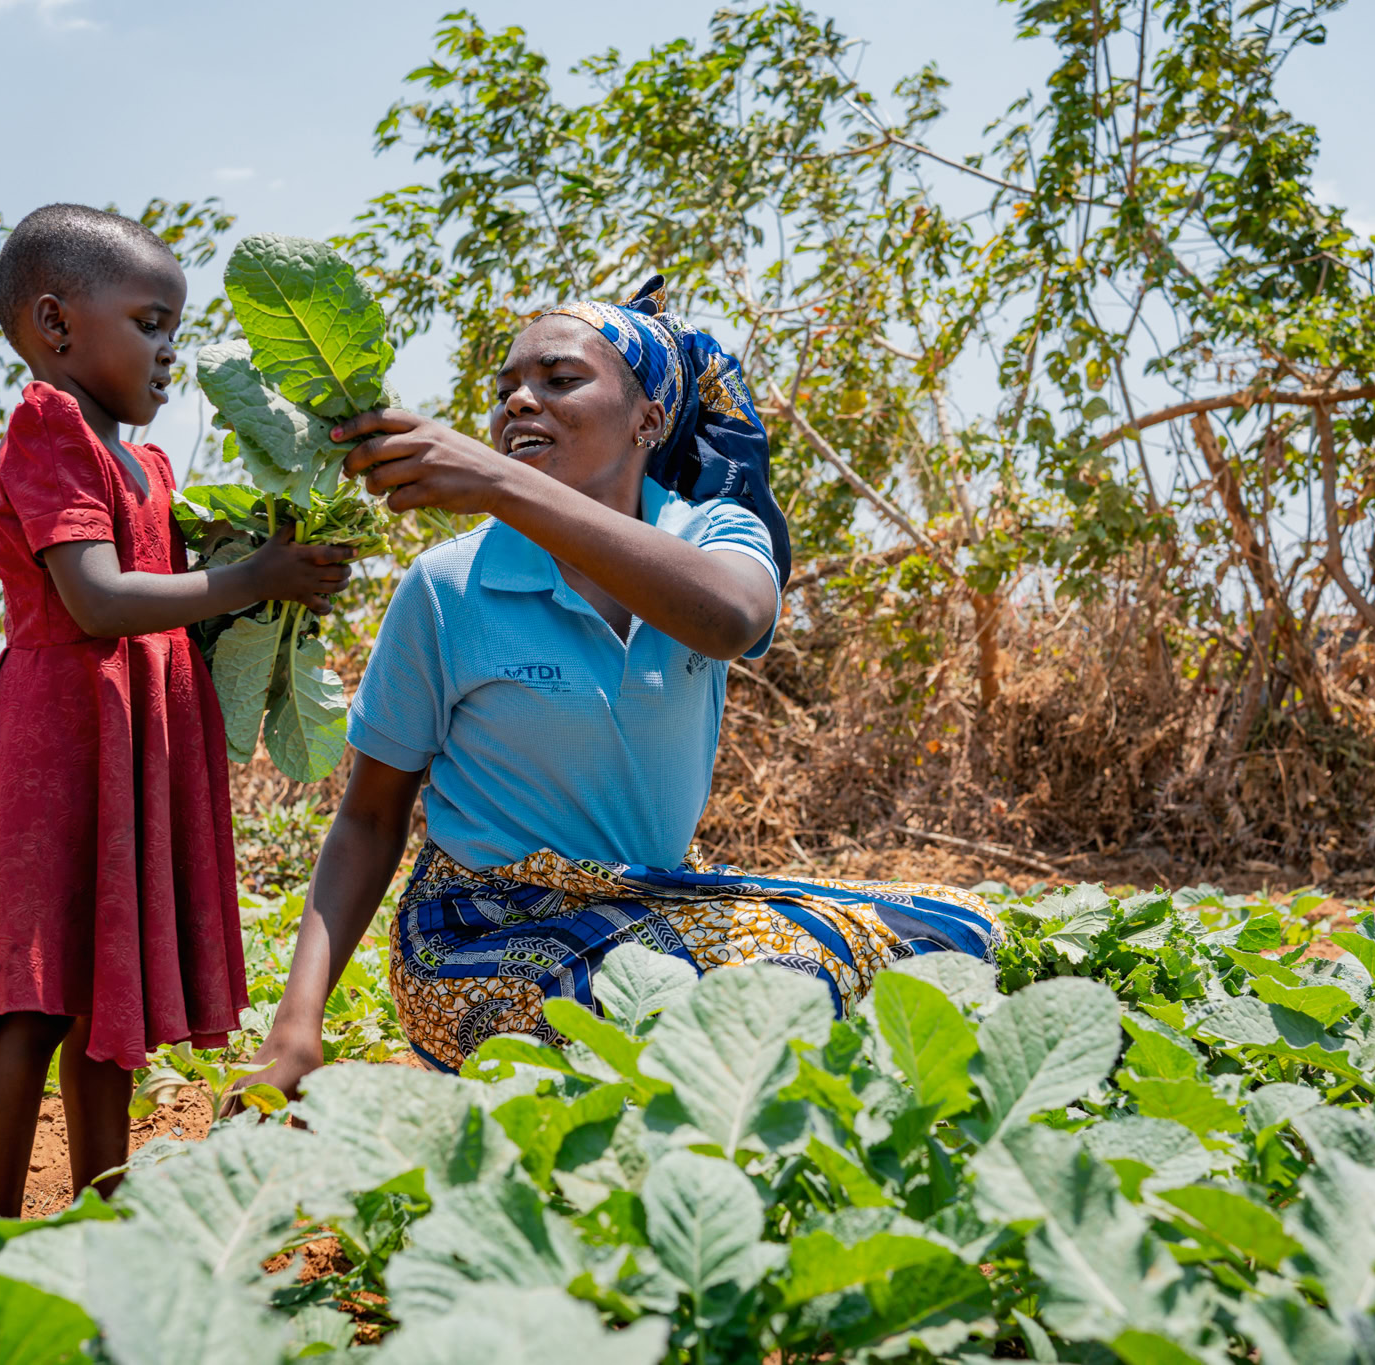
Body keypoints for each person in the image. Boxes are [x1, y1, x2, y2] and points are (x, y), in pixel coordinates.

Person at [243, 277, 1000, 1083]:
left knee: (959, 932)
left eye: (560, 380)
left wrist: (504, 485)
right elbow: (367, 819)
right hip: (481, 931)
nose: (520, 405)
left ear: (649, 419)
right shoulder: (448, 586)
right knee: (765, 989)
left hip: (652, 909)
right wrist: (296, 1027)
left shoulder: (713, 535)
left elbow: (733, 618)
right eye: (505, 393)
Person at [0, 204, 358, 1245]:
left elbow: (173, 591)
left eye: (173, 329)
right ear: (55, 325)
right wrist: (247, 574)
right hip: (57, 742)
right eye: (149, 323)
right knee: (34, 1002)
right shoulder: (46, 428)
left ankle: (101, 1228)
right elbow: (97, 599)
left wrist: (281, 571)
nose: (169, 353)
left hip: (127, 739)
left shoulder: (148, 467)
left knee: (106, 1007)